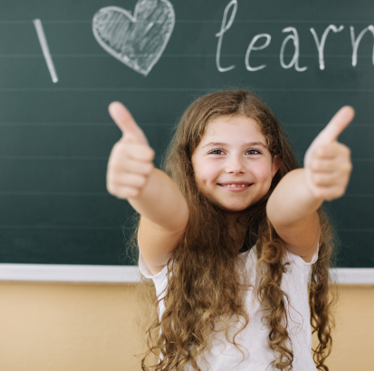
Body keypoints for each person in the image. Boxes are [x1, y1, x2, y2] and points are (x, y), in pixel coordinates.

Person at [106, 90, 354, 371]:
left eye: (252, 152)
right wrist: (143, 184)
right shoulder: (174, 237)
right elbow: (168, 214)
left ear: (274, 165)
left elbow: (285, 208)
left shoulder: (292, 239)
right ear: (189, 164)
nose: (235, 166)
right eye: (216, 152)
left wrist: (311, 183)